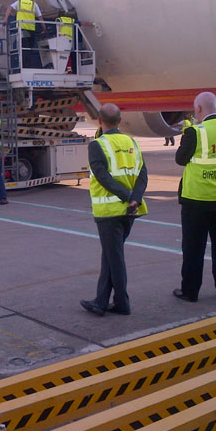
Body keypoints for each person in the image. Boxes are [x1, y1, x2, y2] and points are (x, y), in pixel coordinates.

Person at [80, 103, 148, 317]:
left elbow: (103, 177)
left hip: (109, 211)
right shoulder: (132, 143)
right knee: (110, 256)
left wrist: (128, 198)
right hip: (130, 211)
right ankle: (100, 301)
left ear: (100, 121)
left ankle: (121, 303)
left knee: (114, 257)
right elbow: (142, 174)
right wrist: (135, 199)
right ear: (120, 121)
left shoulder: (97, 145)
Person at [173, 91, 216, 303]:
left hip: (197, 200)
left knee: (193, 249)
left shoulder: (195, 132)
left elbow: (180, 159)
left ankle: (190, 291)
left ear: (199, 109)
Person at [3, 0, 45, 68]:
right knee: (29, 48)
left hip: (21, 28)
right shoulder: (34, 4)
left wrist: (5, 18)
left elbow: (9, 7)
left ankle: (23, 65)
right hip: (30, 29)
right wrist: (44, 28)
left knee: (23, 47)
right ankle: (28, 65)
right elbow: (40, 17)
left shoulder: (19, 2)